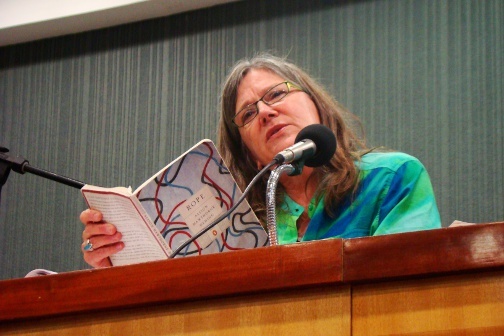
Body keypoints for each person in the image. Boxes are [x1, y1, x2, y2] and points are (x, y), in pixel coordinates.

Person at [80, 53, 441, 268]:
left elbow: (404, 288)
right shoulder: (235, 225)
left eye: (276, 94)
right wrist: (118, 260)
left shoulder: (393, 178)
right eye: (248, 113)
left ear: (316, 104)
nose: (266, 112)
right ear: (249, 154)